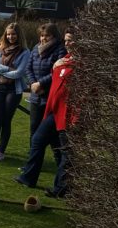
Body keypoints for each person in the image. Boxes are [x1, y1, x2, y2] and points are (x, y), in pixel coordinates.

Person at [15, 28, 77, 198]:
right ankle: (29, 177)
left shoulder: (82, 64)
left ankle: (62, 189)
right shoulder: (64, 60)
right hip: (54, 111)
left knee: (65, 151)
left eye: (71, 40)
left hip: (69, 114)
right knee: (37, 139)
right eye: (66, 40)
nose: (67, 43)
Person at [0, 22, 31, 161]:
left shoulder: (25, 52)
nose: (10, 37)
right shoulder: (0, 47)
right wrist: (7, 69)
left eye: (13, 34)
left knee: (6, 120)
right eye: (8, 34)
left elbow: (19, 73)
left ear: (19, 35)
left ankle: (1, 152)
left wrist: (2, 70)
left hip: (14, 90)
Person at [25, 23, 67, 137]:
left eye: (47, 35)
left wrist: (41, 83)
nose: (43, 38)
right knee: (33, 129)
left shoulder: (60, 49)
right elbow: (28, 68)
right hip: (35, 96)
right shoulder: (35, 48)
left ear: (54, 35)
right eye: (42, 35)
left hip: (49, 95)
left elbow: (58, 72)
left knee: (51, 133)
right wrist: (33, 84)